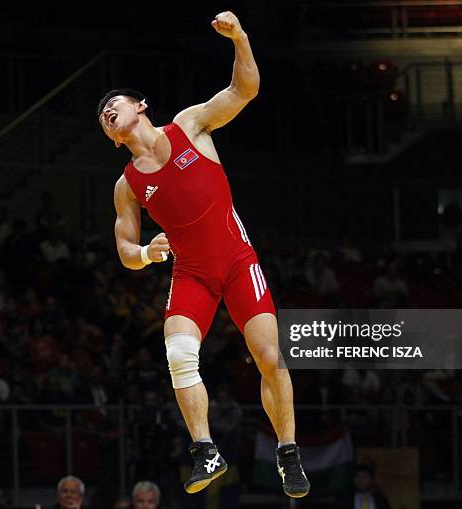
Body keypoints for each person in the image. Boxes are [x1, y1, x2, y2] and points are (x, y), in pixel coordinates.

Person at [97, 10, 309, 498]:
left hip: (237, 260)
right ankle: (204, 451)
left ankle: (288, 452)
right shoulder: (126, 186)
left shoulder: (189, 126)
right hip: (191, 273)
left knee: (270, 356)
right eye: (103, 117)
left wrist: (239, 38)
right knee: (177, 352)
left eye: (115, 103)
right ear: (112, 138)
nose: (108, 111)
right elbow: (125, 252)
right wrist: (147, 253)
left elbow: (244, 91)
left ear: (141, 106)